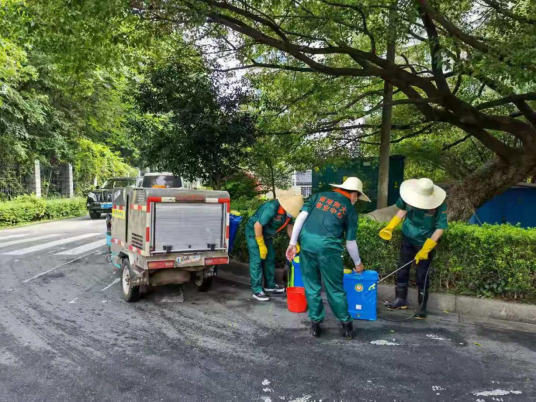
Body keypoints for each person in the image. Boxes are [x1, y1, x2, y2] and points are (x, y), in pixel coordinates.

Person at [286, 177, 370, 339]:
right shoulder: (350, 211)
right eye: (357, 197)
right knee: (335, 287)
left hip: (307, 244)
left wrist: (292, 243)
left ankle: (315, 325)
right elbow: (350, 242)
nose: (356, 201)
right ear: (353, 194)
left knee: (311, 284)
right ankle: (346, 326)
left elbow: (301, 218)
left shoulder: (318, 196)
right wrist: (358, 263)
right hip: (329, 249)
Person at [379, 178, 448, 319]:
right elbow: (402, 210)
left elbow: (440, 228)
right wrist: (390, 226)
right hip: (407, 238)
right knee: (402, 269)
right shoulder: (408, 195)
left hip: (425, 242)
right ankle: (400, 300)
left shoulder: (440, 205)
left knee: (422, 275)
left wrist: (426, 249)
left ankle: (422, 307)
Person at [247, 195, 304, 302]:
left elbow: (289, 227)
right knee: (257, 260)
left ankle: (270, 285)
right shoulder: (272, 207)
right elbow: (257, 225)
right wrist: (260, 244)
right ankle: (257, 289)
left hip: (267, 235)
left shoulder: (289, 213)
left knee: (270, 257)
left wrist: (294, 242)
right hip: (254, 234)